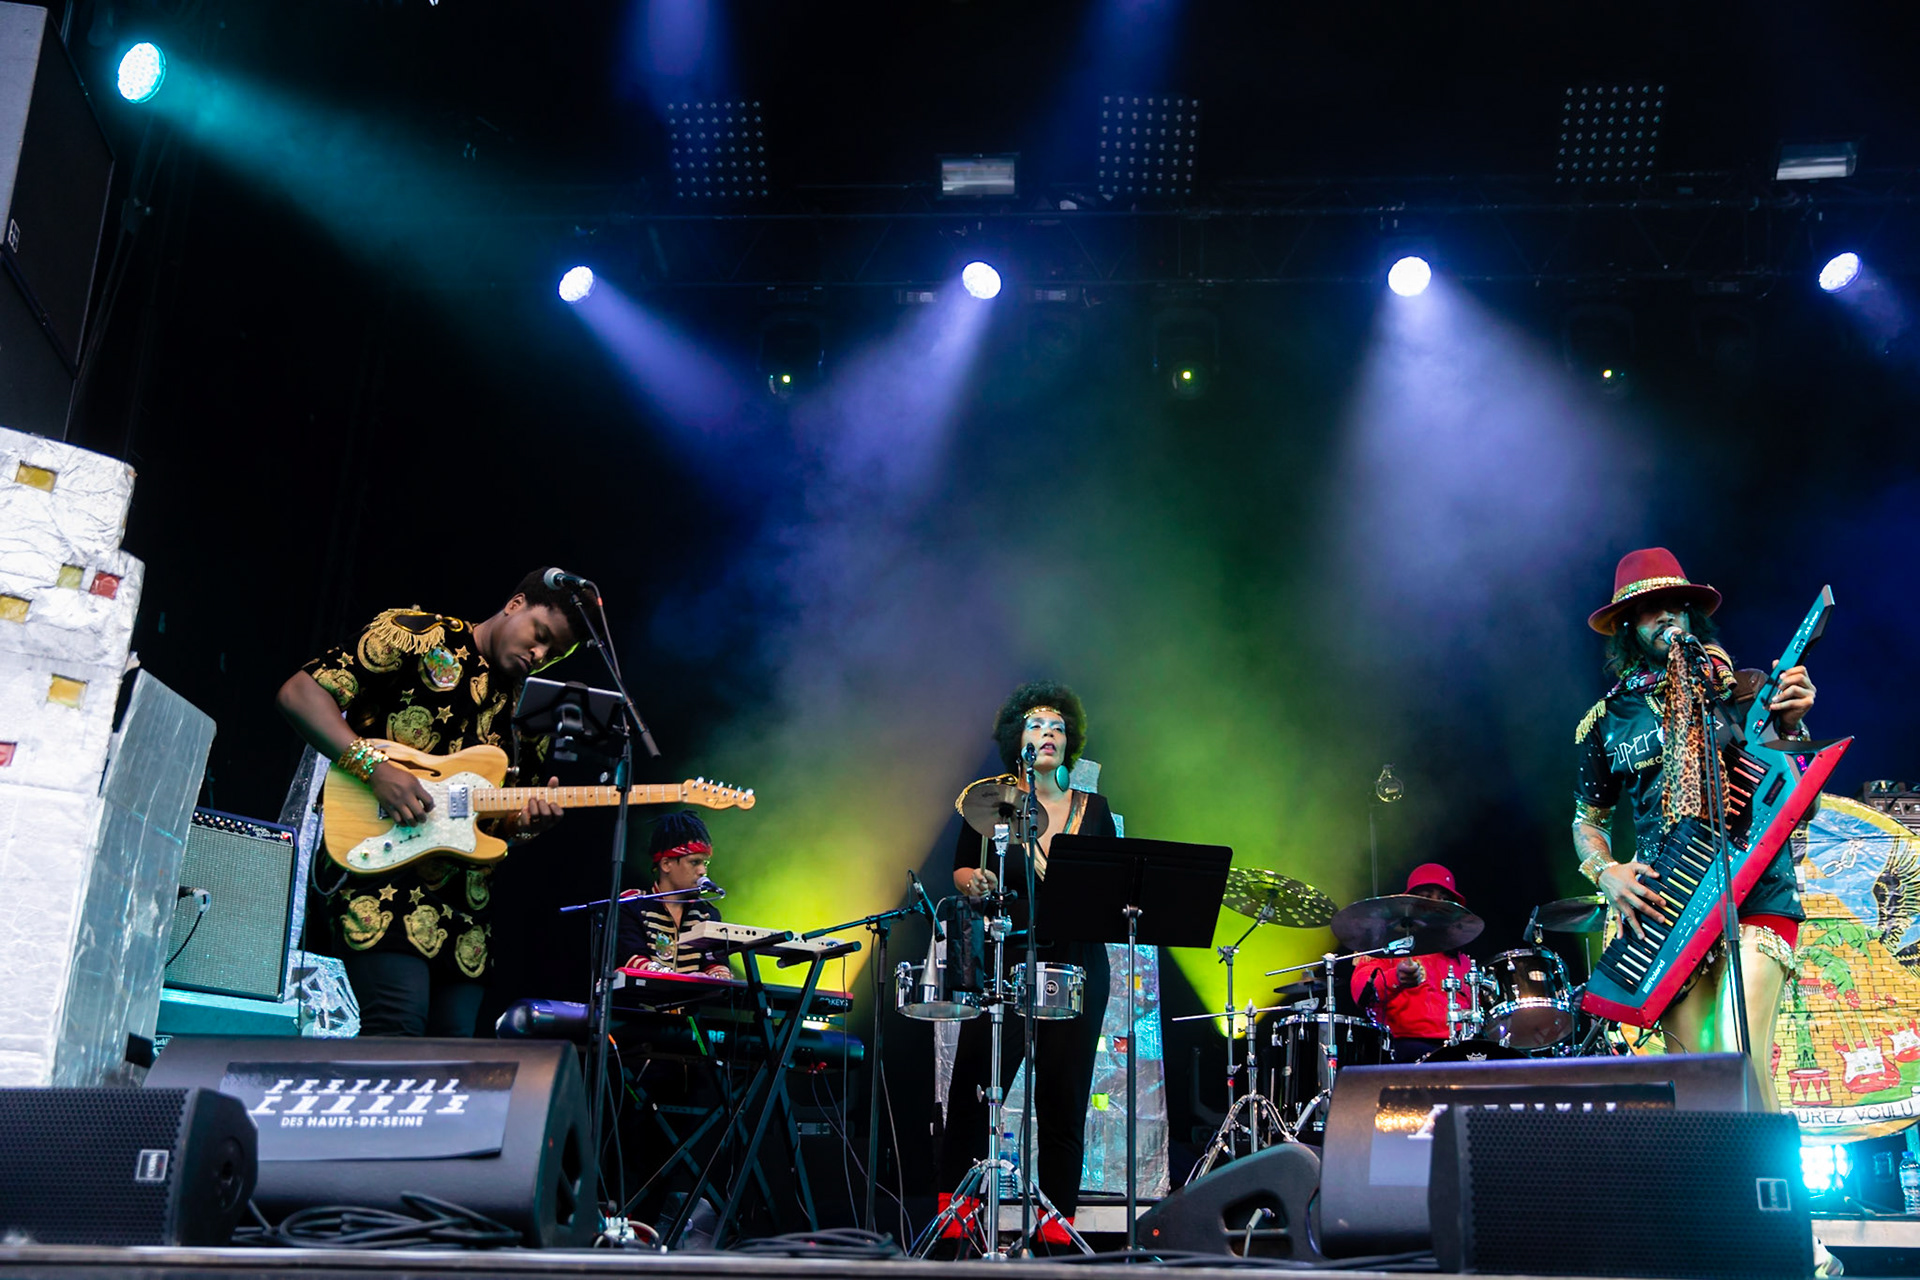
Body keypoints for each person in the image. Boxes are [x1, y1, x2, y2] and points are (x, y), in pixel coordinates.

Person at [277, 569, 586, 1036]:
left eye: (553, 653)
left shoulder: (531, 713)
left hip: (466, 906)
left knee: (451, 1057)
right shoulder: (420, 636)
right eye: (540, 636)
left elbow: (495, 826)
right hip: (379, 868)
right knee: (397, 1026)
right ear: (515, 604)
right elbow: (299, 694)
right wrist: (374, 768)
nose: (539, 655)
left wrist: (526, 827)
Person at [1572, 547, 1817, 1102]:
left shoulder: (1748, 690)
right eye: (1652, 609)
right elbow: (1588, 819)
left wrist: (1794, 731)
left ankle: (1776, 1190)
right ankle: (1719, 1189)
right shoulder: (1607, 721)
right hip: (1671, 909)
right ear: (1629, 626)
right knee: (1697, 1079)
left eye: (1677, 606)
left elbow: (1806, 804)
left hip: (1755, 892)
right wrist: (1605, 871)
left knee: (1740, 1056)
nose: (1667, 617)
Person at [940, 681, 1114, 1233]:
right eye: (1038, 725)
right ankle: (955, 1218)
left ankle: (1057, 1227)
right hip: (1007, 956)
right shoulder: (990, 799)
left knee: (1064, 1104)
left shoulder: (1094, 807)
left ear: (1071, 742)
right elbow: (961, 868)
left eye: (1059, 727)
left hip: (1077, 961)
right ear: (1017, 737)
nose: (1049, 735)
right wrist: (977, 884)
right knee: (974, 1088)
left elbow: (1108, 884)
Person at [1350, 863, 1475, 1062]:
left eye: (1444, 900)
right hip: (1408, 1046)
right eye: (1427, 897)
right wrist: (1396, 977)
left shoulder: (1463, 961)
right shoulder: (1388, 947)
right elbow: (1361, 991)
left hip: (1458, 1046)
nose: (1436, 905)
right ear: (1409, 905)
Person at [616, 811, 731, 978]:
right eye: (694, 862)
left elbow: (715, 962)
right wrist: (678, 979)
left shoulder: (707, 914)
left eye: (705, 863)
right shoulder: (632, 903)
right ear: (666, 864)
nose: (703, 871)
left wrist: (718, 975)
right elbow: (630, 958)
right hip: (640, 1003)